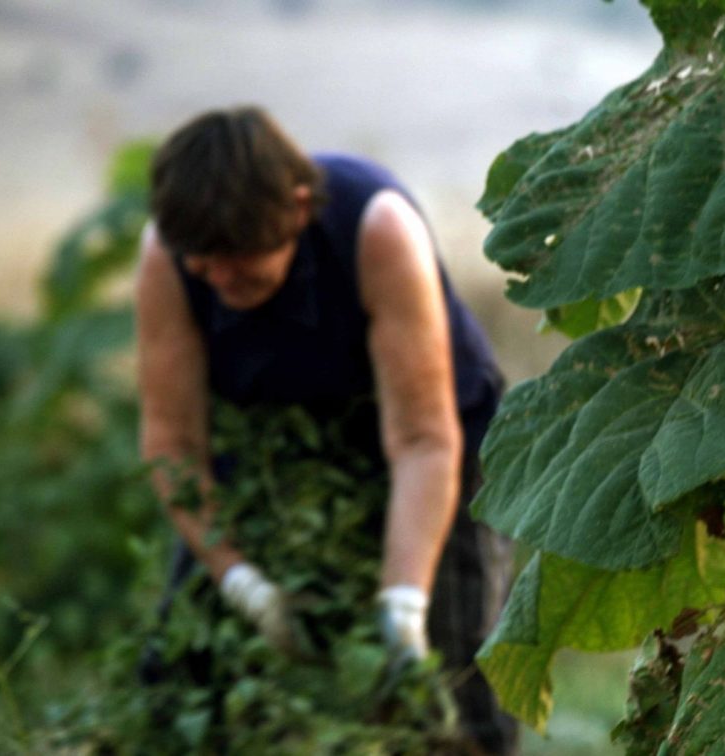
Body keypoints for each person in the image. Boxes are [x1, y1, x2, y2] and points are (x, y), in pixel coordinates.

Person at [134, 105, 515, 754]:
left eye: (244, 262)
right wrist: (243, 583)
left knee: (448, 684)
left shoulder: (376, 227)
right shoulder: (169, 256)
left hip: (439, 439)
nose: (222, 282)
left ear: (299, 208)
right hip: (283, 450)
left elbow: (423, 441)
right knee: (182, 672)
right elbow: (174, 445)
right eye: (206, 268)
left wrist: (401, 605)